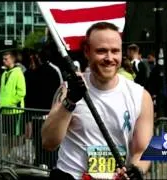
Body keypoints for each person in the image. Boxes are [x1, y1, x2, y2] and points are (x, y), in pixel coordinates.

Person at [42, 22, 154, 180]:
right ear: (87, 52)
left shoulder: (140, 96)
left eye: (115, 51)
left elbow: (142, 150)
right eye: (101, 51)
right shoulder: (68, 89)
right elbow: (48, 142)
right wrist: (70, 102)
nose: (109, 58)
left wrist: (136, 170)